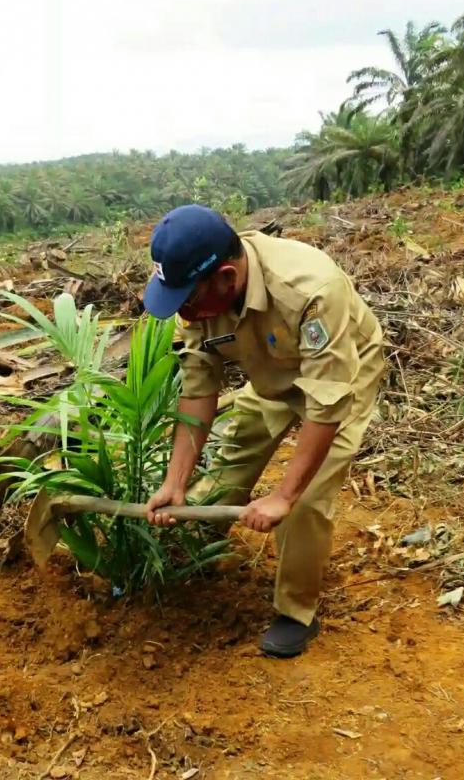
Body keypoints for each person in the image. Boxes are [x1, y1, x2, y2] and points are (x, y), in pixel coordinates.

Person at [143, 204, 385, 657]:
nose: (185, 313)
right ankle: (204, 541)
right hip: (270, 368)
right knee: (238, 450)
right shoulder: (196, 298)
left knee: (307, 500)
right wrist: (174, 483)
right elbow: (198, 390)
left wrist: (284, 495)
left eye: (188, 300)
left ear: (227, 279)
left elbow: (326, 402)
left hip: (341, 372)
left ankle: (296, 611)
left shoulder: (310, 289)